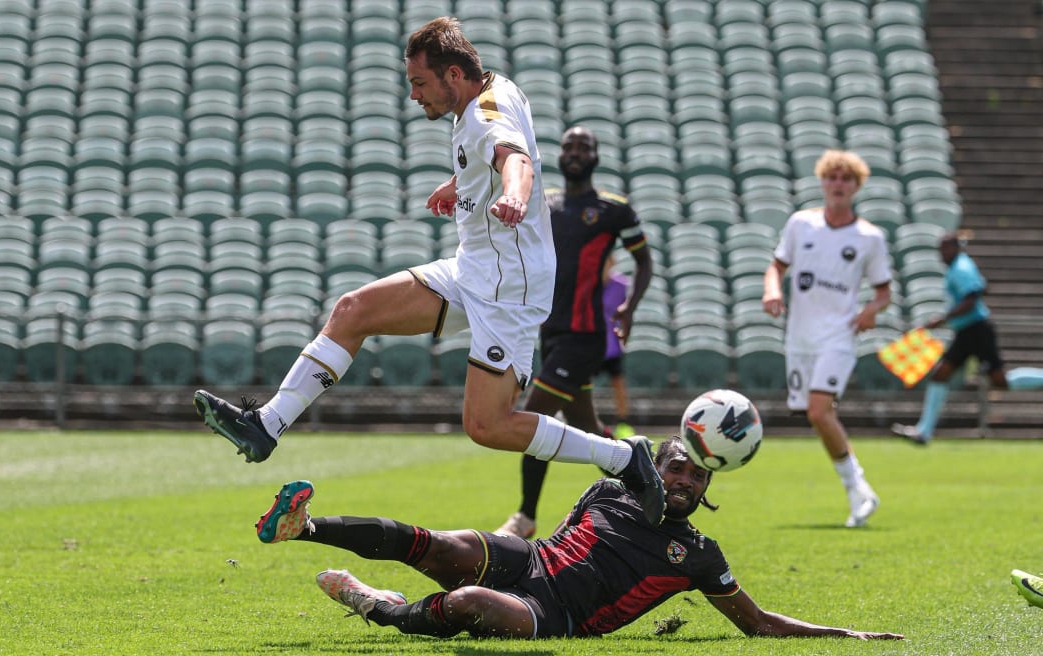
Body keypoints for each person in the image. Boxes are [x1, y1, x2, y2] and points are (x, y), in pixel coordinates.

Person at [191, 17, 665, 525]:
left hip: (509, 287)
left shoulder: (484, 114)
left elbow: (516, 161)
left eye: (419, 83)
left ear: (454, 74)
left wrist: (511, 194)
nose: (414, 96)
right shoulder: (496, 88)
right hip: (474, 268)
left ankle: (623, 457)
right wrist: (461, 183)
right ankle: (267, 425)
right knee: (353, 310)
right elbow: (495, 151)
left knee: (486, 426)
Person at [252, 437, 905, 641]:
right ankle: (303, 527)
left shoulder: (699, 555)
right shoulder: (612, 490)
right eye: (674, 465)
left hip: (558, 614)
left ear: (707, 488)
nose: (681, 477)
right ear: (659, 470)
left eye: (695, 473)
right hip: (532, 562)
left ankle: (376, 605)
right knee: (441, 542)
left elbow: (758, 624)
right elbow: (564, 537)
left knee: (473, 599)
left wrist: (844, 635)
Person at [495, 126, 653, 539]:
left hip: (584, 337)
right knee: (587, 428)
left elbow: (645, 262)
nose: (576, 152)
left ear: (597, 156)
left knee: (533, 420)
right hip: (550, 335)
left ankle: (525, 517)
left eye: (585, 146)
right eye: (569, 146)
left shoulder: (614, 208)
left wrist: (629, 308)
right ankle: (648, 486)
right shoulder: (543, 205)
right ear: (560, 155)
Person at [762, 149, 893, 528]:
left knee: (820, 410)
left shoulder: (870, 237)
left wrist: (870, 311)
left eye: (846, 178)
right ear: (822, 181)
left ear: (856, 186)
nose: (838, 184)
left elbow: (884, 292)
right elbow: (777, 265)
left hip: (838, 335)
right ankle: (859, 487)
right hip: (800, 337)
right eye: (832, 177)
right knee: (817, 415)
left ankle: (857, 489)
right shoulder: (801, 224)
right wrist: (773, 290)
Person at [890, 233, 1043, 444]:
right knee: (940, 375)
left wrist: (942, 319)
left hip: (977, 330)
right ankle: (923, 432)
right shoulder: (960, 266)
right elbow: (982, 286)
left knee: (1001, 382)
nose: (940, 254)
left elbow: (971, 299)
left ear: (953, 248)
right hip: (965, 332)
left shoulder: (960, 267)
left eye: (944, 249)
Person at [600, 255, 636, 439]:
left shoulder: (621, 284)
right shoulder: (588, 284)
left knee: (619, 385)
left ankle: (623, 422)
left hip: (612, 345)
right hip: (591, 344)